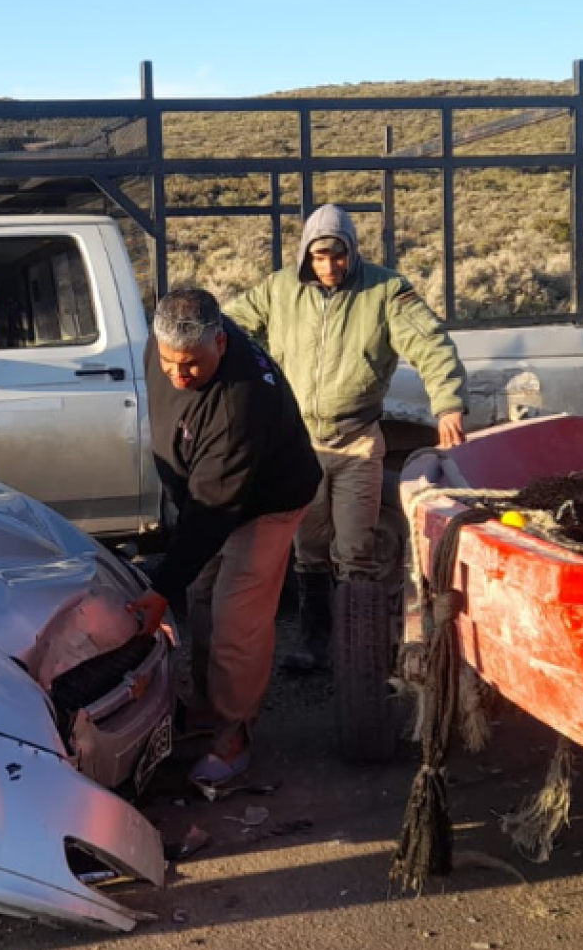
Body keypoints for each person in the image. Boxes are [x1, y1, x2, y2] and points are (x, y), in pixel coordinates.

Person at [225, 204, 469, 672]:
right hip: (299, 446)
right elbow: (230, 328)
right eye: (319, 257)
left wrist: (449, 403)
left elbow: (431, 344)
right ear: (305, 257)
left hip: (357, 441)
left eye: (338, 256)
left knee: (356, 550)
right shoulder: (279, 290)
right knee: (309, 550)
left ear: (352, 252)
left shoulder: (386, 292)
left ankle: (362, 649)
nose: (330, 266)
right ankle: (315, 644)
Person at [129, 288, 321, 788]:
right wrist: (177, 572)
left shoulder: (240, 401)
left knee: (238, 617)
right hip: (208, 494)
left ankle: (234, 733)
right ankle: (205, 709)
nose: (176, 375)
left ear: (219, 341)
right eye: (169, 362)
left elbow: (216, 509)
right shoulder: (167, 345)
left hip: (268, 501)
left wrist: (160, 588)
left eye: (190, 365)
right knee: (202, 597)